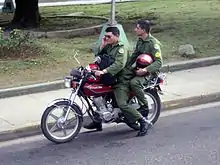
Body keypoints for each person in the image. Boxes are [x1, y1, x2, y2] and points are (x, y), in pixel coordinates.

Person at [84, 26, 129, 131]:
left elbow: (119, 65)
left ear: (117, 36)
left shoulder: (122, 48)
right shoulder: (109, 46)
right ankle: (97, 121)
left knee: (122, 103)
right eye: (105, 37)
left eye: (109, 36)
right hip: (109, 76)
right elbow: (98, 58)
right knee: (97, 95)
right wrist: (103, 44)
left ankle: (141, 121)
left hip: (120, 77)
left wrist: (103, 71)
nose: (106, 38)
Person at [128, 19, 163, 119]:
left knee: (134, 83)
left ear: (143, 30)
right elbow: (134, 56)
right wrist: (125, 68)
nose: (135, 30)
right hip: (139, 67)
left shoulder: (153, 43)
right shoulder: (140, 41)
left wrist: (145, 70)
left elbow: (159, 62)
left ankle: (144, 106)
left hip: (150, 72)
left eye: (137, 28)